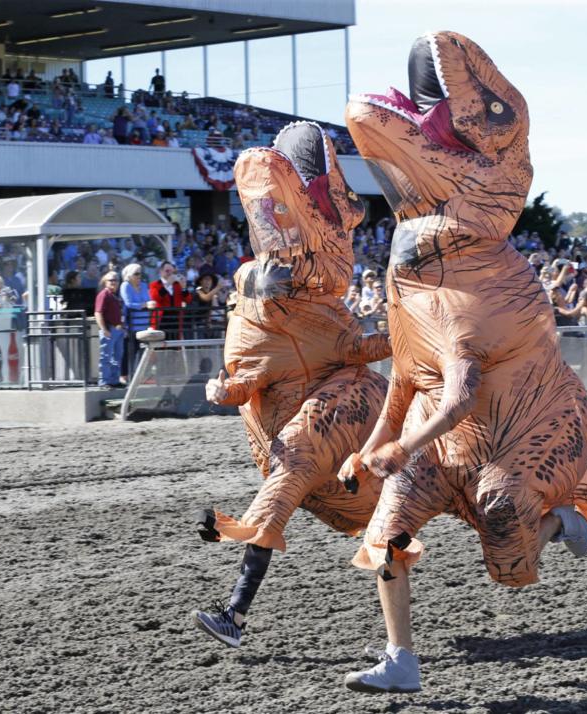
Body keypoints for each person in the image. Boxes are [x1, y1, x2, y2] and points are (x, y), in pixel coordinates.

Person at [339, 32, 587, 694]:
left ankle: (562, 520)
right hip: (445, 441)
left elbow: (461, 390)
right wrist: (382, 445)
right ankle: (400, 658)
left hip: (513, 430)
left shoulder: (476, 280)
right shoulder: (410, 276)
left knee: (508, 557)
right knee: (388, 530)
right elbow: (412, 374)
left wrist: (401, 442)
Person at [192, 122, 392, 649]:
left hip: (326, 434)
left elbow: (354, 350)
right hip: (303, 440)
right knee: (296, 475)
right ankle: (237, 612)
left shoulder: (314, 312)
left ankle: (235, 613)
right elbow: (246, 379)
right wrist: (222, 391)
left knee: (295, 470)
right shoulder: (281, 307)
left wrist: (406, 334)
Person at [94, 271, 123, 389]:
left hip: (118, 329)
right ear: (105, 282)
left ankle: (114, 380)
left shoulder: (116, 295)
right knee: (105, 357)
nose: (114, 282)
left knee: (117, 357)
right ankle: (104, 382)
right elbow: (98, 313)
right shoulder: (103, 294)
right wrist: (104, 329)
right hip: (109, 328)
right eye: (111, 280)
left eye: (116, 280)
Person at [148, 260, 191, 337]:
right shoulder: (155, 284)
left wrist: (184, 287)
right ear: (161, 272)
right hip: (162, 318)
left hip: (175, 318)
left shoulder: (177, 285)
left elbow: (188, 300)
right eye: (167, 271)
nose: (170, 273)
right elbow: (156, 297)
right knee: (161, 343)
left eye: (172, 271)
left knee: (174, 343)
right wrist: (167, 284)